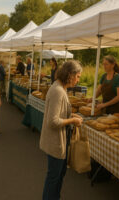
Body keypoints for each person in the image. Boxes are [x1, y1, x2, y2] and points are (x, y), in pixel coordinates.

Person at [40, 60, 83, 200]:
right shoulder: (58, 91)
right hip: (55, 142)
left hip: (58, 141)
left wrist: (70, 115)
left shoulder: (60, 87)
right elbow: (53, 121)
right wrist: (72, 120)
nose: (78, 80)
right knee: (53, 179)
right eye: (77, 76)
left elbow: (58, 115)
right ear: (70, 75)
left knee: (57, 176)